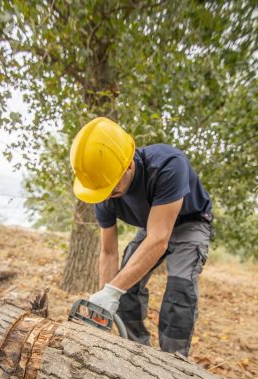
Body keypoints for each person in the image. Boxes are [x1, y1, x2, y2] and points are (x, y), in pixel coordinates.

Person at [70, 116, 212, 357]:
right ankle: (138, 354)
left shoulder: (168, 164)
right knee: (125, 288)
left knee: (179, 292)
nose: (109, 196)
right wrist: (106, 295)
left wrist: (113, 289)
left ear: (128, 165)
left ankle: (173, 362)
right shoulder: (103, 192)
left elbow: (159, 239)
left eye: (113, 188)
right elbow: (108, 251)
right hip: (153, 225)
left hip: (190, 222)